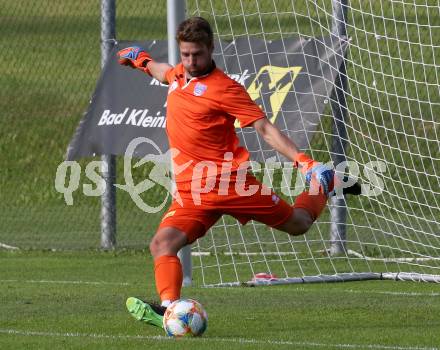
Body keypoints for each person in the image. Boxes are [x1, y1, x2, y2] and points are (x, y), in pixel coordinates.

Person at [117, 17, 360, 329]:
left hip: (230, 184)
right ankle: (168, 310)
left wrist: (303, 161)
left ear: (211, 49)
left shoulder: (226, 89)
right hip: (193, 191)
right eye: (186, 54)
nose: (191, 61)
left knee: (299, 224)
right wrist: (141, 59)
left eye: (197, 55)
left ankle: (322, 182)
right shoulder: (179, 75)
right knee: (162, 245)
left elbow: (264, 128)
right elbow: (162, 71)